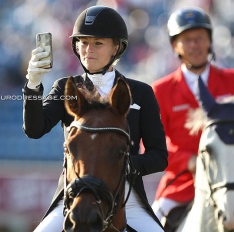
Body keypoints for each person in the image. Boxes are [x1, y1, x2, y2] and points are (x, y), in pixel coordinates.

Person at [23, 5, 168, 231]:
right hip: (75, 196)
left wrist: (124, 165)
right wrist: (33, 85)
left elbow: (159, 156)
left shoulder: (141, 93)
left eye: (98, 43)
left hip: (125, 197)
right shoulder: (65, 88)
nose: (88, 49)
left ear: (116, 48)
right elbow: (34, 129)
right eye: (83, 42)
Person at [151, 7, 234, 227]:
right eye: (187, 40)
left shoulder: (232, 80)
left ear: (209, 41)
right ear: (175, 45)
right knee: (148, 224)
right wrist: (189, 161)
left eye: (200, 38)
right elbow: (150, 144)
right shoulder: (160, 91)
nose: (194, 45)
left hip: (229, 177)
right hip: (183, 183)